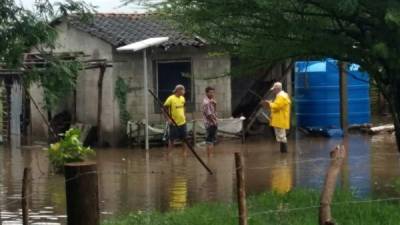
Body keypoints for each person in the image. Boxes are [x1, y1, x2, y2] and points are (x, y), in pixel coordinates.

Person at [264, 82, 291, 153]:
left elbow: (276, 106)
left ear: (277, 89)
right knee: (281, 135)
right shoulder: (281, 95)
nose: (273, 91)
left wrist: (269, 103)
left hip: (280, 118)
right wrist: (271, 103)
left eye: (274, 89)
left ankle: (284, 152)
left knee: (282, 136)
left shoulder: (281, 96)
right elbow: (277, 105)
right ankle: (283, 152)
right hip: (280, 118)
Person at [164, 84, 187, 149]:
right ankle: (170, 155)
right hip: (174, 123)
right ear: (178, 90)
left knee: (184, 140)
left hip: (182, 122)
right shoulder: (171, 98)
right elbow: (163, 109)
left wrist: (184, 115)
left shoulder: (183, 98)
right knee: (172, 140)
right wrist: (168, 119)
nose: (184, 91)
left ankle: (184, 155)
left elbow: (184, 107)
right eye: (183, 90)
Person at [202, 86, 218, 151]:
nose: (212, 94)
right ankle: (209, 156)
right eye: (210, 92)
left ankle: (211, 155)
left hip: (213, 122)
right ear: (207, 93)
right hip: (210, 123)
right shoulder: (206, 102)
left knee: (212, 139)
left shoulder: (211, 101)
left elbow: (214, 112)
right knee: (209, 140)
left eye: (213, 92)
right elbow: (208, 114)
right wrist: (214, 122)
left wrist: (215, 105)